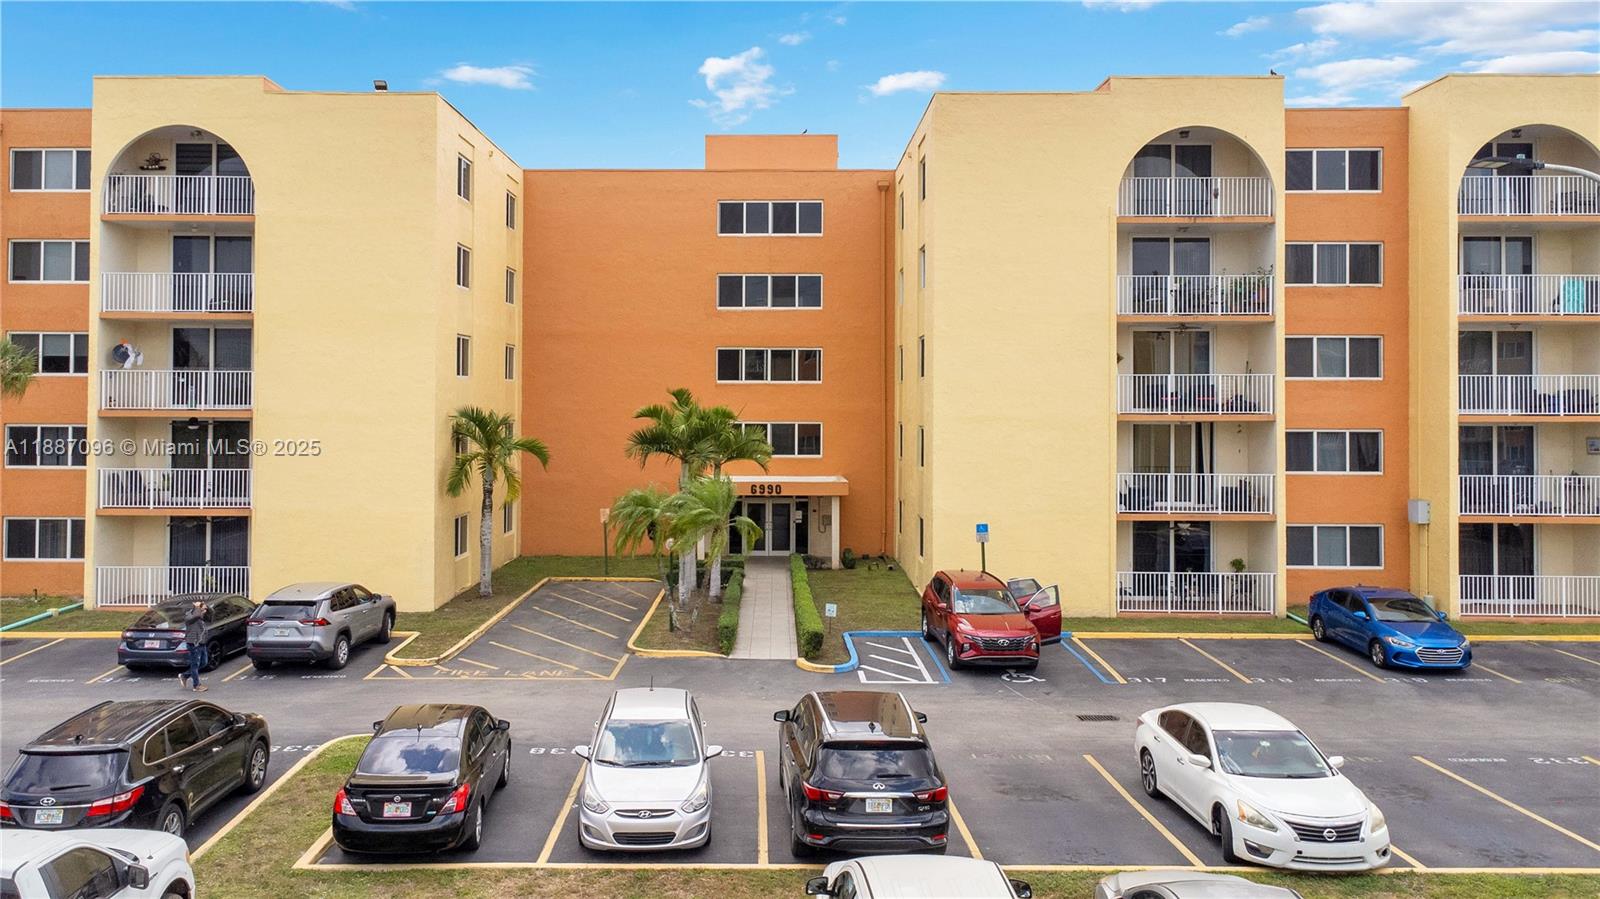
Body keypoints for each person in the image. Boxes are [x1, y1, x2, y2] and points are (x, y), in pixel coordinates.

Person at [178, 600, 210, 693]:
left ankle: (185, 675)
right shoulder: (189, 617)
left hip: (201, 642)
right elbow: (195, 616)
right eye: (201, 609)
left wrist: (206, 606)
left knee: (203, 662)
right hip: (194, 643)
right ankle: (196, 685)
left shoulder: (200, 616)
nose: (203, 611)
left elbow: (211, 615)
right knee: (195, 664)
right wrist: (197, 607)